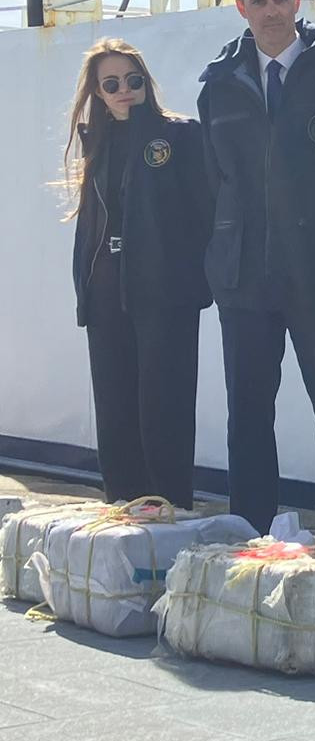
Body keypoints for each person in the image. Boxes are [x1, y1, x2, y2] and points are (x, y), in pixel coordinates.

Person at [197, 0, 315, 543]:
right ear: (241, 8)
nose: (271, 12)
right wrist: (218, 259)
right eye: (258, 2)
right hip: (244, 274)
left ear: (299, 0)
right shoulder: (219, 84)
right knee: (247, 415)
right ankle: (249, 537)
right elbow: (213, 183)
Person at [65, 39, 211, 508]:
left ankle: (169, 505)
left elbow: (203, 211)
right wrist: (83, 291)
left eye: (133, 80)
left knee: (163, 405)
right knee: (115, 403)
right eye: (112, 84)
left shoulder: (181, 135)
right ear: (98, 93)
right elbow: (90, 222)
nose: (125, 90)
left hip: (162, 288)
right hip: (106, 284)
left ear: (146, 82)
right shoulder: (98, 143)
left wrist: (192, 279)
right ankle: (122, 506)